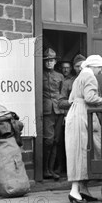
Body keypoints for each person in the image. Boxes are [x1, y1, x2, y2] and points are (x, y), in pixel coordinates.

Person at [65, 55, 102, 203]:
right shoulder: (90, 77)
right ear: (93, 66)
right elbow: (90, 98)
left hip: (75, 112)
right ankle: (74, 191)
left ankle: (83, 190)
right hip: (82, 114)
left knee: (83, 150)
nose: (101, 71)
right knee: (81, 151)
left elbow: (71, 99)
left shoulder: (80, 77)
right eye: (100, 68)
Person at [42, 48, 63, 180]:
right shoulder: (40, 74)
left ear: (55, 62)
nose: (49, 63)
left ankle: (50, 170)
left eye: (52, 60)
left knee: (55, 141)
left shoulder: (59, 76)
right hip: (47, 111)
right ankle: (44, 169)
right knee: (48, 141)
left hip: (59, 110)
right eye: (47, 61)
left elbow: (61, 93)